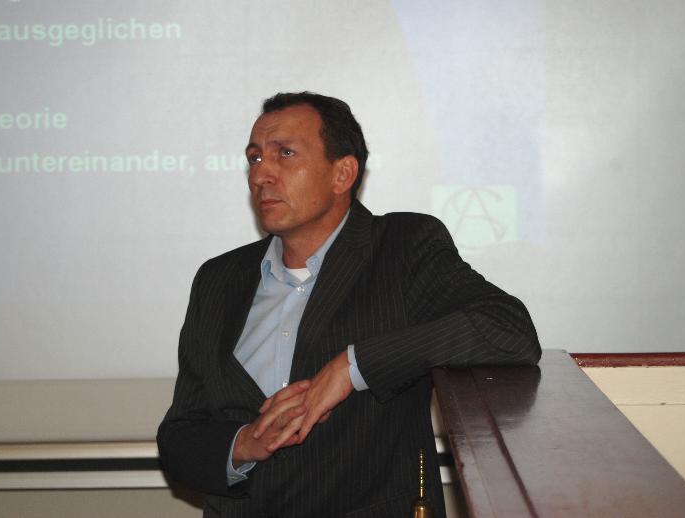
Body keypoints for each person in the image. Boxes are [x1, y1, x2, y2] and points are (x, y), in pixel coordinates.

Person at [157, 92, 541, 517]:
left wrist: (353, 367)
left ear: (342, 174)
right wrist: (243, 444)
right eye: (255, 157)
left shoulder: (402, 248)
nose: (261, 174)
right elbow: (178, 437)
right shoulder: (219, 279)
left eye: (285, 153)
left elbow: (508, 329)